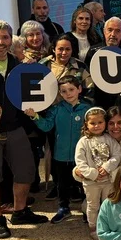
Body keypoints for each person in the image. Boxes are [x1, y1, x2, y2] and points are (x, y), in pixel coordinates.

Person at [28, 75, 93, 223]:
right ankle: (64, 207)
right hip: (61, 154)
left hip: (83, 155)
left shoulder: (88, 109)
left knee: (85, 184)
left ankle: (87, 209)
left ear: (79, 89)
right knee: (62, 184)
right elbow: (47, 126)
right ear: (59, 93)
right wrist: (35, 116)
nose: (68, 94)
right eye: (63, 91)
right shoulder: (56, 109)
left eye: (71, 89)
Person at [72, 106, 121, 238]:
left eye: (100, 122)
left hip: (108, 181)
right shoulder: (83, 142)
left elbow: (117, 155)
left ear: (105, 123)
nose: (97, 126)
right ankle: (93, 227)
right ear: (86, 124)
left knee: (108, 204)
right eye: (92, 123)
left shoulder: (109, 139)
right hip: (91, 182)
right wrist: (93, 174)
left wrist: (107, 167)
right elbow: (80, 162)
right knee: (93, 205)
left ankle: (107, 226)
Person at [41, 34, 94, 100]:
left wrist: (81, 105)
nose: (64, 53)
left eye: (68, 49)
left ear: (72, 50)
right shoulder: (43, 64)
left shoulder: (80, 66)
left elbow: (90, 92)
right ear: (53, 49)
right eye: (60, 49)